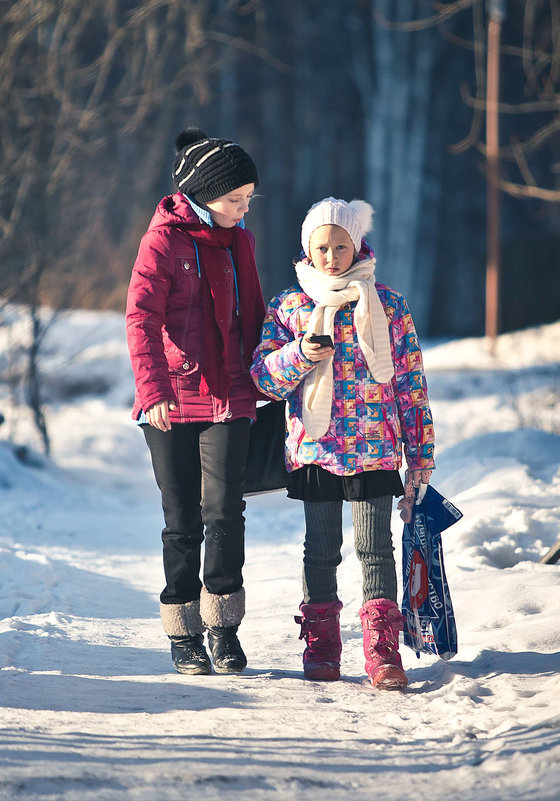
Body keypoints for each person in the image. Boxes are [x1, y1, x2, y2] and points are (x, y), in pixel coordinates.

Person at [250, 197, 435, 690]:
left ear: (358, 245)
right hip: (315, 449)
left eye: (340, 245)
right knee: (321, 550)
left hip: (375, 449)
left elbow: (410, 384)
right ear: (307, 250)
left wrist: (420, 455)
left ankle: (382, 651)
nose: (332, 256)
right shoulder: (290, 306)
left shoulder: (389, 305)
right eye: (321, 247)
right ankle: (322, 645)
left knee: (375, 548)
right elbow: (263, 379)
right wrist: (300, 354)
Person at [126, 127, 266, 676]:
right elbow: (142, 318)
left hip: (230, 395)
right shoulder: (162, 241)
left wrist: (265, 381)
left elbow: (253, 314)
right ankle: (183, 631)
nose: (243, 208)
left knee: (226, 513)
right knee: (182, 518)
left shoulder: (242, 242)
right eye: (235, 199)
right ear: (202, 194)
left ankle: (223, 627)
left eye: (250, 199)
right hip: (170, 400)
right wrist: (153, 390)